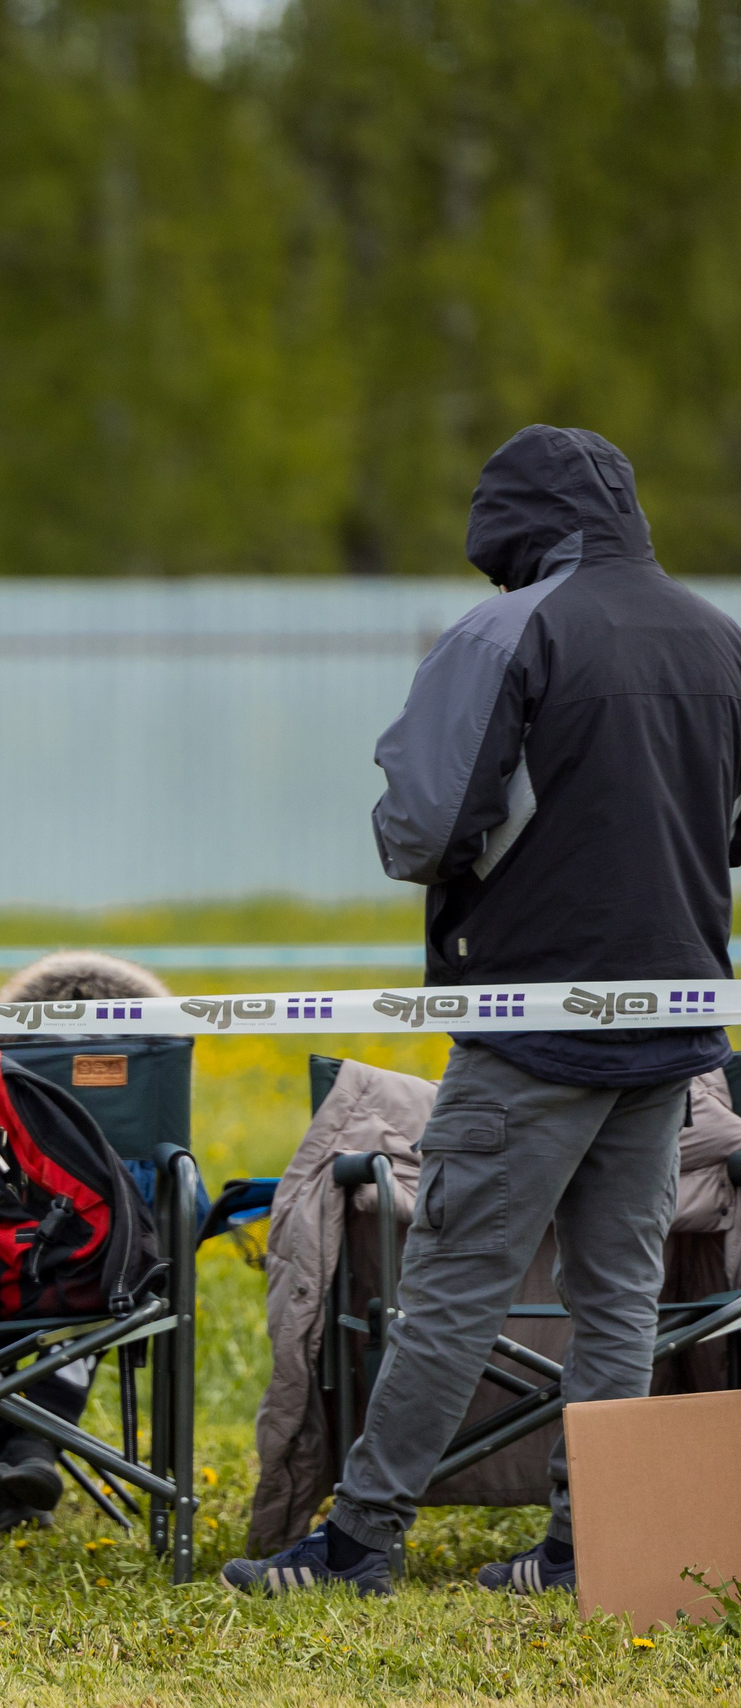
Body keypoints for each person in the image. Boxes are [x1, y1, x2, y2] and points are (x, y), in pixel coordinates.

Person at [224, 425, 741, 1599]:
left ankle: (359, 1544)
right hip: (671, 1030)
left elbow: (420, 825)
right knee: (620, 1297)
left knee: (450, 1289)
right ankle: (586, 1549)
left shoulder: (506, 630)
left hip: (533, 1029)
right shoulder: (720, 637)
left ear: (513, 520)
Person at [0, 950, 170, 1532]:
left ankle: (23, 1460)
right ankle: (30, 1451)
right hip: (110, 1277)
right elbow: (191, 1205)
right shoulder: (146, 1091)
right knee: (98, 1302)